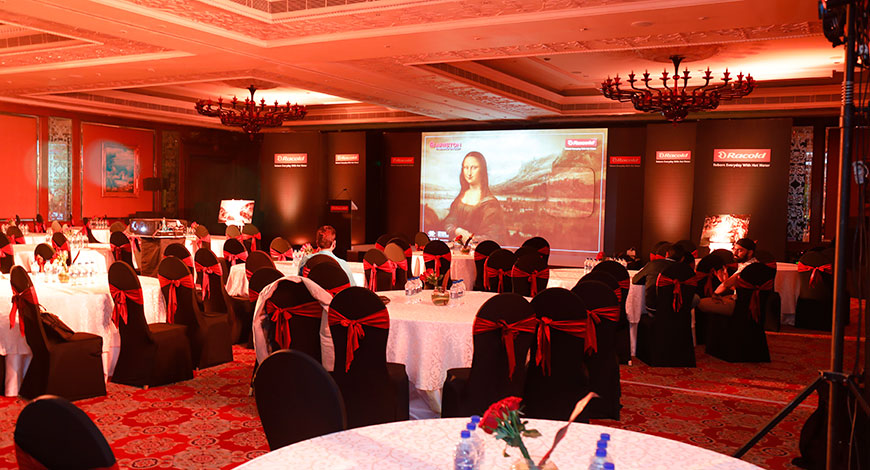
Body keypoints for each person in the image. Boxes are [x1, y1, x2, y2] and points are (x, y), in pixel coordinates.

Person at [443, 151, 505, 243]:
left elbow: (493, 236)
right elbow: (449, 221)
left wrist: (470, 238)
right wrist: (457, 230)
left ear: (482, 170)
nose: (469, 173)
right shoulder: (460, 198)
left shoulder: (490, 203)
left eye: (474, 168)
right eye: (466, 168)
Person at [697, 238, 758, 315]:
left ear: (750, 253)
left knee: (700, 303)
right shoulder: (752, 263)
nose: (735, 253)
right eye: (734, 249)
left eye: (740, 250)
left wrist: (715, 294)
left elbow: (726, 285)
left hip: (744, 303)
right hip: (739, 297)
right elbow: (736, 287)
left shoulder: (747, 267)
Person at [632, 243, 686, 315]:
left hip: (653, 307)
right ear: (682, 258)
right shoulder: (685, 270)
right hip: (678, 308)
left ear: (667, 254)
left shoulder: (653, 264)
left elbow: (635, 280)